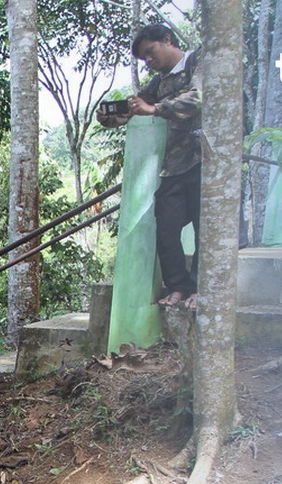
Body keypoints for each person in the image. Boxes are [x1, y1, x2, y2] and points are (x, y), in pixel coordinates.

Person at [97, 24, 202, 309]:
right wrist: (111, 118)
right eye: (144, 58)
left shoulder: (198, 60)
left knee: (204, 226)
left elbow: (199, 97)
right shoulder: (160, 82)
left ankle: (200, 290)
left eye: (150, 52)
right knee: (165, 227)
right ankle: (178, 286)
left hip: (204, 159)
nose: (148, 61)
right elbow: (136, 107)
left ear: (167, 40)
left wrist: (155, 109)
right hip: (173, 165)